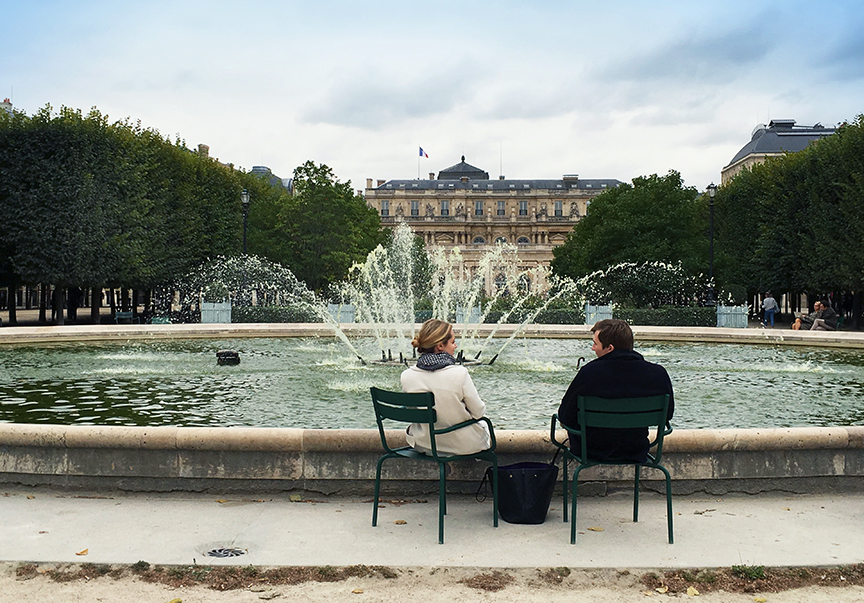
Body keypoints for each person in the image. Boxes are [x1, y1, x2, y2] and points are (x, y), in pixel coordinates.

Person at [557, 319, 674, 463]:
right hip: (636, 450)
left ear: (610, 348)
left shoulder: (589, 373)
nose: (593, 348)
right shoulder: (658, 374)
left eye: (595, 344)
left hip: (591, 451)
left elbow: (565, 415)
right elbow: (668, 414)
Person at [400, 319, 491, 456]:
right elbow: (478, 412)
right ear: (440, 346)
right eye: (453, 342)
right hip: (463, 446)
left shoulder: (407, 376)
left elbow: (414, 414)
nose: (455, 346)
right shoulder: (459, 373)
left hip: (425, 445)